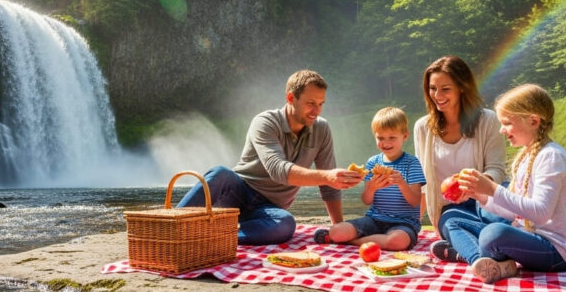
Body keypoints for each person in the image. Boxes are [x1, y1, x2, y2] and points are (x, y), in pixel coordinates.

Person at [176, 70, 364, 245]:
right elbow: (278, 170)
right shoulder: (265, 122)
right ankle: (171, 226)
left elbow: (328, 187)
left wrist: (338, 228)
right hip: (238, 192)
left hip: (268, 209)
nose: (317, 111)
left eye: (321, 104)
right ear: (291, 98)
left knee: (285, 224)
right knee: (220, 174)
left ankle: (216, 236)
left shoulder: (322, 129)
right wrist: (327, 176)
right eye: (310, 103)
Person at [431, 84, 566, 284]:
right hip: (529, 235)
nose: (502, 130)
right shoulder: (527, 155)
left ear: (533, 121)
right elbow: (516, 214)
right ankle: (483, 262)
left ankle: (467, 255)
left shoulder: (551, 156)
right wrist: (478, 194)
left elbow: (540, 213)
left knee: (493, 233)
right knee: (452, 220)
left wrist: (492, 188)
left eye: (506, 123)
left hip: (555, 251)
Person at [413, 56, 507, 245]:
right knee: (450, 223)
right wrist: (413, 221)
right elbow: (421, 181)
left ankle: (469, 246)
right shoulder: (422, 127)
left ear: (462, 87)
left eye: (445, 89)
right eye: (432, 88)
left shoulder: (488, 120)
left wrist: (473, 185)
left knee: (498, 217)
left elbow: (497, 170)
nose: (437, 95)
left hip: (486, 201)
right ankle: (485, 253)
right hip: (451, 209)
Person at [314, 107, 425, 251]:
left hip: (404, 224)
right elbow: (366, 200)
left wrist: (402, 184)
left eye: (392, 137)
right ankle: (368, 240)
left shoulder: (412, 163)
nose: (386, 143)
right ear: (375, 136)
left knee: (397, 241)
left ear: (405, 136)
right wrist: (371, 187)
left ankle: (352, 242)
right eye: (380, 138)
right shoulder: (373, 163)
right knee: (336, 231)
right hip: (374, 220)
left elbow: (416, 201)